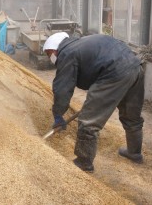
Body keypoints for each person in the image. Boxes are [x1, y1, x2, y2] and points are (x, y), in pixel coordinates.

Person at [43, 32, 144, 173]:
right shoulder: (82, 43)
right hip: (135, 66)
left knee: (88, 121)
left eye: (49, 54)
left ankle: (84, 162)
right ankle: (134, 153)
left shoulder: (67, 53)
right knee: (131, 115)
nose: (50, 58)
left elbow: (62, 89)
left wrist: (58, 115)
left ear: (54, 49)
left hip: (113, 73)